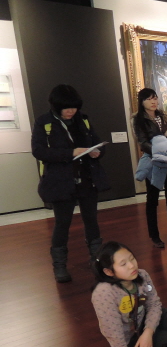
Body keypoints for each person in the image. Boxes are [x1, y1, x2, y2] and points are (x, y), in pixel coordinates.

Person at [31, 84, 109, 282]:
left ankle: (97, 262)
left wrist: (97, 151)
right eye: (66, 107)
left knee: (91, 220)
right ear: (56, 106)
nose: (71, 111)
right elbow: (39, 151)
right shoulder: (44, 122)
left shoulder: (83, 120)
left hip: (87, 179)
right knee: (62, 223)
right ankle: (60, 266)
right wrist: (71, 153)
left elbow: (97, 142)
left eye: (74, 107)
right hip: (61, 182)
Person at [131, 87, 167, 249]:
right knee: (152, 199)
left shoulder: (165, 117)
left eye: (155, 98)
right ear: (142, 102)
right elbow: (143, 142)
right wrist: (160, 152)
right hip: (153, 162)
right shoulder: (138, 119)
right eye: (149, 99)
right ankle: (154, 236)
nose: (153, 102)